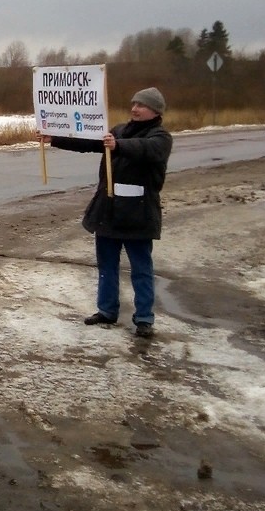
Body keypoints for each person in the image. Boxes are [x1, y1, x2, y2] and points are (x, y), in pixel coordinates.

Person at [43, 87, 173, 338]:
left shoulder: (161, 137)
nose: (134, 108)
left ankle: (144, 318)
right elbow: (90, 143)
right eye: (133, 103)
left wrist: (118, 146)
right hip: (109, 211)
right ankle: (107, 311)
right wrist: (55, 138)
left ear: (155, 111)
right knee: (106, 266)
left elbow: (146, 149)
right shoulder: (117, 131)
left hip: (138, 213)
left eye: (141, 105)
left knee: (141, 269)